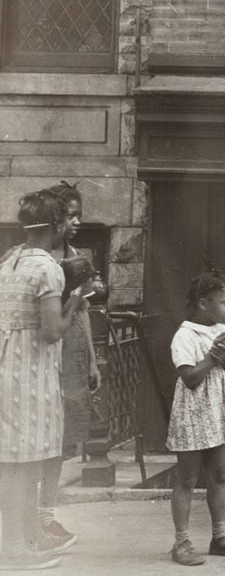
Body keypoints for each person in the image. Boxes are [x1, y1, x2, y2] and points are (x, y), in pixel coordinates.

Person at [0, 190, 89, 571]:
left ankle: (27, 541)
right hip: (31, 373)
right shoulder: (47, 268)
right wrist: (74, 301)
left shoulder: (9, 261)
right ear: (54, 225)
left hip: (8, 365)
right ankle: (16, 549)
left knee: (15, 463)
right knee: (25, 465)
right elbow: (53, 331)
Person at [166, 271, 225, 566]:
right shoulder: (185, 335)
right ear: (204, 303)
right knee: (187, 478)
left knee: (220, 474)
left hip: (218, 412)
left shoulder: (223, 333)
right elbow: (189, 378)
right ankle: (182, 542)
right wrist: (211, 358)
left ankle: (220, 536)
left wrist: (224, 356)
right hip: (192, 413)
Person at [38, 183, 100, 555]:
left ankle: (47, 511)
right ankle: (34, 513)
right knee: (40, 435)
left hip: (73, 349)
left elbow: (85, 311)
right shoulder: (39, 259)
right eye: (71, 215)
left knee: (61, 438)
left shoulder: (78, 255)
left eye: (79, 214)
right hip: (48, 350)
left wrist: (92, 359)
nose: (77, 221)